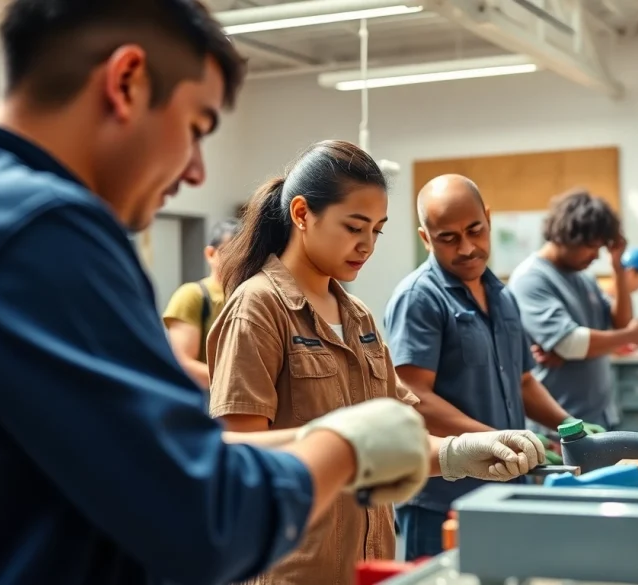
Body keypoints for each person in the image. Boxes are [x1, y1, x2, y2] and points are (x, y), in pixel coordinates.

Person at [0, 1, 436, 584]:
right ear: (126, 81)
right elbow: (205, 514)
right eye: (196, 128)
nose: (196, 171)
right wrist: (345, 450)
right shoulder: (46, 231)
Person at [206, 144, 546, 585]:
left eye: (377, 231)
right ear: (302, 213)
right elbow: (239, 454)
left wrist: (460, 452)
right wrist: (340, 446)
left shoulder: (359, 318)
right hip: (296, 570)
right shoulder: (258, 308)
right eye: (354, 227)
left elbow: (396, 439)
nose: (366, 245)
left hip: (370, 567)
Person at [384, 174, 597, 560]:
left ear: (488, 218)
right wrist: (500, 441)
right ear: (425, 238)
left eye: (474, 230)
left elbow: (524, 381)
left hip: (508, 488)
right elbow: (415, 398)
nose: (467, 248)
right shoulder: (419, 299)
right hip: (444, 502)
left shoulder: (502, 295)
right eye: (448, 238)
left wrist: (569, 424)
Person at [507, 190, 638, 431]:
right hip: (559, 426)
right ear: (566, 236)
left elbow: (620, 322)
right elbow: (570, 343)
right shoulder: (531, 278)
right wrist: (630, 336)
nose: (596, 256)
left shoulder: (583, 278)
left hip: (599, 417)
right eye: (591, 247)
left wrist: (618, 268)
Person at [163, 217, 241, 388]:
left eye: (244, 253)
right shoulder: (191, 295)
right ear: (211, 254)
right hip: (208, 397)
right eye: (231, 252)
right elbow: (183, 363)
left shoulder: (249, 295)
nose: (238, 260)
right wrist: (238, 384)